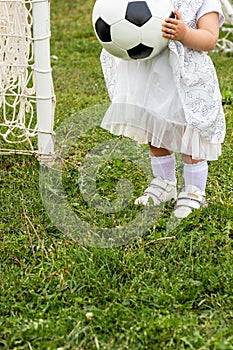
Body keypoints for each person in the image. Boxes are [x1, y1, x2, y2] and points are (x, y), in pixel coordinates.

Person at [100, 0, 225, 219]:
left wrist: (185, 33)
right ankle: (164, 183)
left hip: (185, 81)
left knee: (188, 131)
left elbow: (210, 39)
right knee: (153, 128)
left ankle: (194, 191)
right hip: (149, 75)